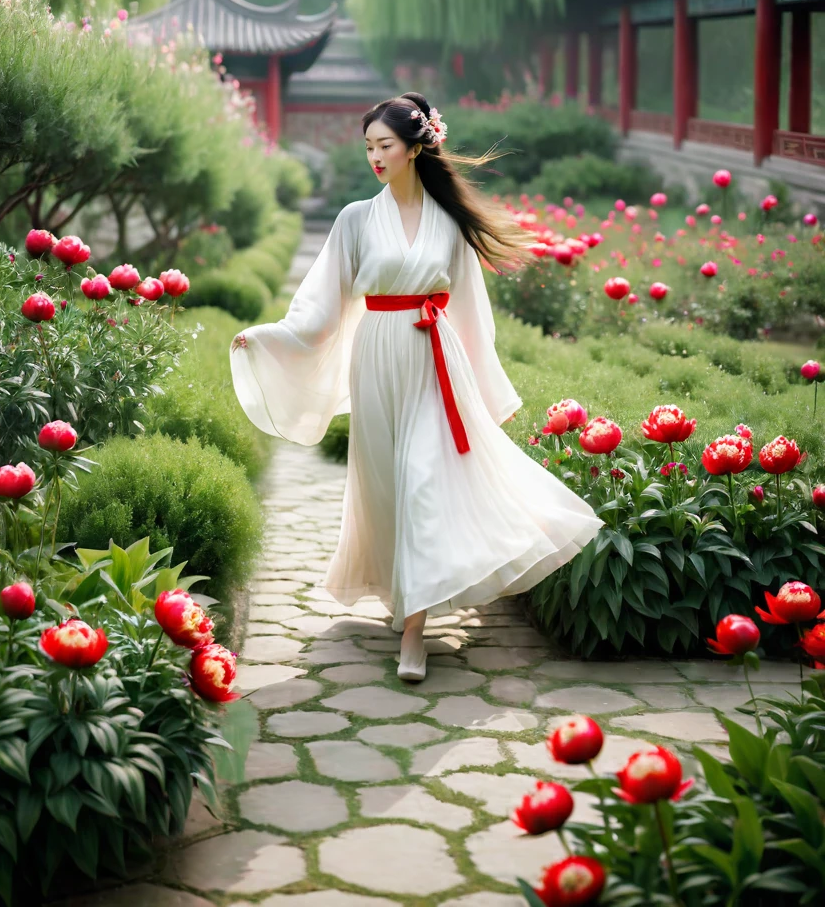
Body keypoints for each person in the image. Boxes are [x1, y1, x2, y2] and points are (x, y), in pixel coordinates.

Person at [230, 93, 602, 681]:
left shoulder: (449, 223)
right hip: (376, 356)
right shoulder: (355, 218)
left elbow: (473, 312)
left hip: (434, 355)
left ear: (415, 147)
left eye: (386, 145)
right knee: (386, 485)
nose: (375, 156)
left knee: (423, 479)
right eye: (369, 147)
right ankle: (404, 592)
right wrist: (270, 337)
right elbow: (321, 309)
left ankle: (413, 634)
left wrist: (485, 393)